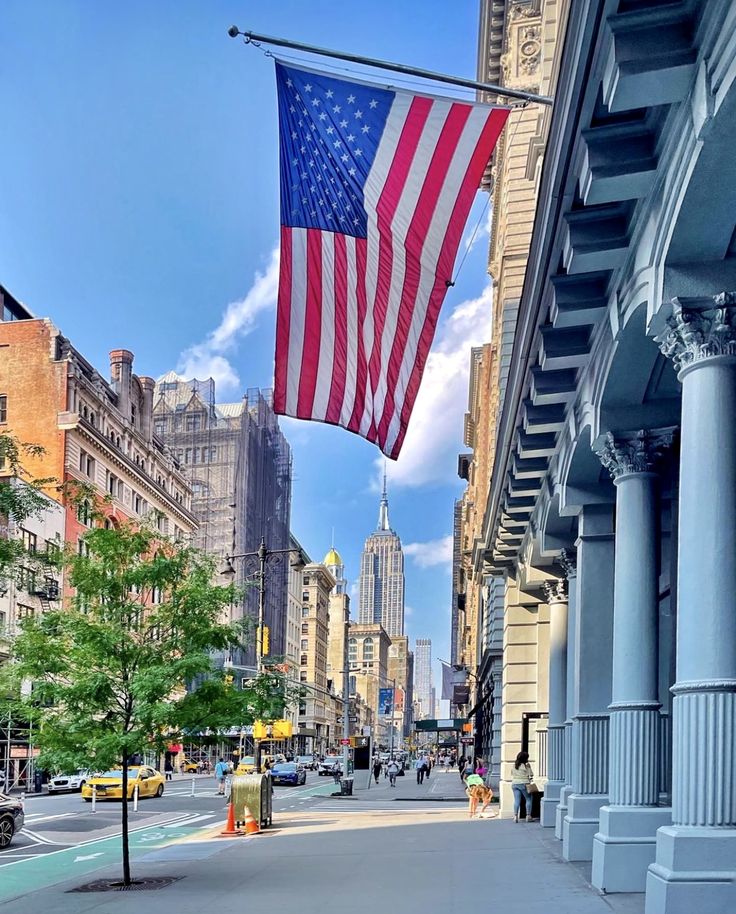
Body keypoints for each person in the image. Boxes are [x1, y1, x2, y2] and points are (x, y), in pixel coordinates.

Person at [511, 751, 535, 822]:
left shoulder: (514, 765)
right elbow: (531, 774)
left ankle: (515, 816)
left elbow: (512, 773)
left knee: (516, 800)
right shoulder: (526, 765)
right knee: (528, 799)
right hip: (524, 783)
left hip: (515, 783)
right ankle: (528, 816)